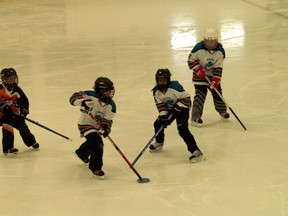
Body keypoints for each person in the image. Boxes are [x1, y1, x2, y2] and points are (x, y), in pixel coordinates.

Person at [149, 68, 203, 163]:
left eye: (164, 80)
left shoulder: (174, 87)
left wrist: (177, 108)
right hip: (170, 109)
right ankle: (159, 142)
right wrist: (163, 116)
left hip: (183, 108)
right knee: (158, 124)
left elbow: (187, 98)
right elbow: (161, 105)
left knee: (182, 129)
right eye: (160, 80)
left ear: (168, 80)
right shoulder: (156, 91)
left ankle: (195, 150)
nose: (162, 83)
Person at [69, 77, 116, 179]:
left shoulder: (111, 105)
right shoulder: (90, 95)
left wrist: (105, 127)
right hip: (85, 124)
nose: (110, 94)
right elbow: (73, 97)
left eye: (110, 91)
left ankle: (81, 153)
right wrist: (82, 102)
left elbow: (108, 119)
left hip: (97, 127)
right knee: (98, 144)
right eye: (107, 92)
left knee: (93, 142)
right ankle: (96, 168)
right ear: (100, 91)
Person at [187, 27, 229, 127]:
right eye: (208, 41)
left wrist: (216, 80)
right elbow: (190, 61)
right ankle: (195, 118)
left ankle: (222, 111)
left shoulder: (220, 51)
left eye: (213, 41)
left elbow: (218, 67)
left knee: (218, 94)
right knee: (200, 96)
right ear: (204, 40)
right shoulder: (198, 48)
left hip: (212, 76)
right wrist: (198, 69)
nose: (210, 43)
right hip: (199, 77)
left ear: (216, 41)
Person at [0, 68, 39, 155]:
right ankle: (8, 148)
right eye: (10, 79)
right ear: (4, 80)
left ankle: (31, 142)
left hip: (14, 114)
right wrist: (2, 107)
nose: (13, 80)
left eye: (14, 78)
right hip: (2, 116)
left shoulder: (16, 89)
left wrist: (24, 111)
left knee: (23, 127)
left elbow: (24, 101)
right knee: (8, 126)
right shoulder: (0, 90)